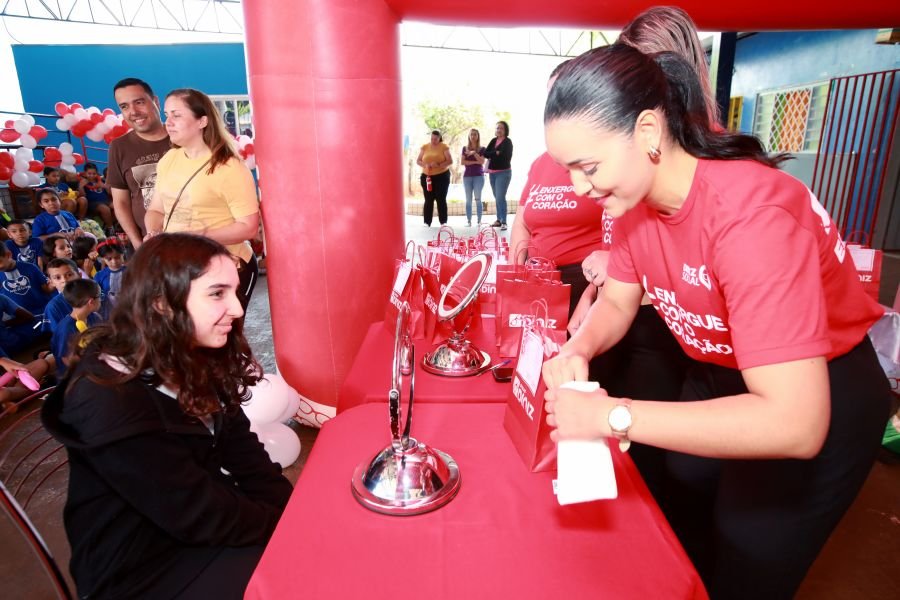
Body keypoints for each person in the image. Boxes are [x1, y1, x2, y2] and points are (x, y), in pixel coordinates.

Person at [541, 43, 892, 599]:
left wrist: (612, 416)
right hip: (722, 372)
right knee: (682, 494)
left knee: (746, 555)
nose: (580, 188)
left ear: (650, 132)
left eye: (589, 167)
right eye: (569, 170)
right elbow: (615, 302)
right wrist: (576, 348)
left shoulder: (750, 220)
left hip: (816, 390)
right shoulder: (636, 205)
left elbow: (794, 423)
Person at [42, 233, 293, 599]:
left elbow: (246, 455)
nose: (239, 309)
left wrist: (294, 516)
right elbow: (198, 513)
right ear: (161, 303)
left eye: (234, 291)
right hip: (139, 570)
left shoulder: (195, 353)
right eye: (217, 293)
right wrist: (283, 530)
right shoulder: (109, 399)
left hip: (198, 530)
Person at [145, 88, 261, 307]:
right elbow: (156, 210)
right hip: (183, 266)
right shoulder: (169, 160)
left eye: (176, 115)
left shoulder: (229, 166)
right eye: (167, 115)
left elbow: (248, 228)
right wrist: (153, 233)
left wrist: (194, 236)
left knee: (223, 338)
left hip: (226, 266)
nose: (168, 122)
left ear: (202, 121)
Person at [107, 77, 171, 250]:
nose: (133, 111)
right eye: (124, 106)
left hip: (196, 238)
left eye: (139, 102)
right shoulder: (119, 147)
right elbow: (120, 202)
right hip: (152, 245)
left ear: (155, 101)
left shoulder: (183, 137)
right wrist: (137, 242)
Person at [50, 278, 101, 378]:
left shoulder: (94, 317)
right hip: (75, 376)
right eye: (99, 296)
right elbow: (68, 360)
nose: (101, 300)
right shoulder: (66, 328)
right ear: (91, 302)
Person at [0, 243, 52, 316]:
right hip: (18, 319)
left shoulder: (30, 267)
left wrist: (54, 283)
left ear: (8, 255)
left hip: (43, 312)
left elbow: (46, 289)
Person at [415, 129, 452, 227]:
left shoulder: (444, 147)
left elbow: (449, 161)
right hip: (427, 177)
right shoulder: (425, 147)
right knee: (428, 199)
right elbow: (418, 161)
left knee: (441, 198)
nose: (433, 140)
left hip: (442, 176)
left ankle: (443, 222)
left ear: (439, 138)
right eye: (432, 138)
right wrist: (425, 165)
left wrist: (439, 165)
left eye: (435, 139)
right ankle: (427, 222)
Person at [483, 120, 513, 230]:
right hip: (492, 174)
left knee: (500, 197)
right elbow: (485, 153)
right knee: (497, 198)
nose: (498, 130)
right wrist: (495, 153)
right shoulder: (493, 140)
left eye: (501, 128)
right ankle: (499, 220)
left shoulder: (507, 142)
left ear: (505, 130)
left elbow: (505, 157)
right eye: (497, 128)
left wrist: (494, 154)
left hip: (503, 173)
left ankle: (504, 221)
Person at [42, 258, 81, 334]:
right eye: (57, 277)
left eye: (69, 275)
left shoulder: (93, 294)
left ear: (79, 275)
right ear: (51, 282)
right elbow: (59, 336)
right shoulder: (53, 307)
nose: (64, 280)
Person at [93, 238, 127, 320]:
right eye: (109, 259)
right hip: (109, 311)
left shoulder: (131, 271)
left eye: (117, 257)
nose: (114, 262)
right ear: (103, 259)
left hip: (129, 306)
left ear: (123, 255)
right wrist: (106, 297)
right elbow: (97, 292)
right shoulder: (99, 276)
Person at [77, 162, 115, 230]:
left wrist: (104, 186)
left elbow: (111, 193)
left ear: (97, 173)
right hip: (93, 203)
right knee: (104, 208)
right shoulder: (82, 182)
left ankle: (107, 226)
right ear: (85, 173)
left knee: (117, 207)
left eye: (94, 174)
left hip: (106, 201)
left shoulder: (101, 181)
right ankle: (110, 229)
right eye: (89, 173)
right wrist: (81, 187)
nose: (92, 176)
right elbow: (82, 196)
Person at [460, 128, 486, 227]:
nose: (473, 136)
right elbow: (462, 162)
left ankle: (479, 221)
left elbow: (482, 162)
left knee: (478, 199)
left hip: (479, 176)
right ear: (469, 136)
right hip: (467, 177)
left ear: (478, 136)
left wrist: (474, 153)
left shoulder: (482, 149)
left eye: (475, 134)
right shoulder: (464, 148)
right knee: (468, 199)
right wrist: (475, 161)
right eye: (471, 134)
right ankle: (468, 221)